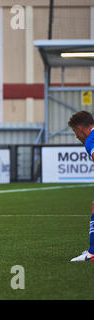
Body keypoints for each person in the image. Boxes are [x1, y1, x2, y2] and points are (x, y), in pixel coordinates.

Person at [68, 110, 94, 262]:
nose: (76, 136)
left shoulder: (91, 139)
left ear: (80, 128)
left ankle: (92, 253)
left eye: (75, 132)